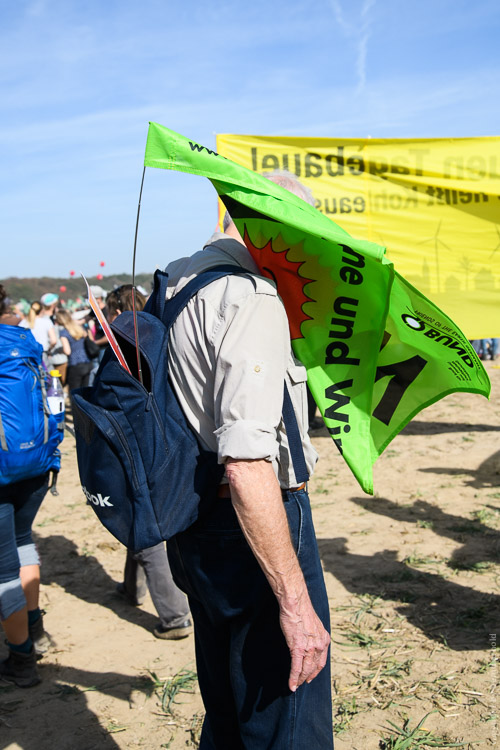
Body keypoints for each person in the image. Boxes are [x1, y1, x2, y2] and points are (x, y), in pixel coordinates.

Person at [164, 171, 333, 748]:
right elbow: (247, 462)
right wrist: (295, 603)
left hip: (196, 523)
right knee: (287, 718)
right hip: (257, 524)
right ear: (276, 226)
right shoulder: (252, 296)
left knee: (228, 712)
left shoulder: (181, 276)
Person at [106, 285, 192, 640]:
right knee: (137, 518)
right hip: (171, 440)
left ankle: (175, 617)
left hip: (140, 445)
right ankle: (131, 588)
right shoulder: (163, 331)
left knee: (147, 528)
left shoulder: (127, 346)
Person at [0, 286, 54, 688]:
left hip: (2, 470)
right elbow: (52, 394)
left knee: (3, 570)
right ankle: (35, 626)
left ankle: (21, 659)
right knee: (23, 539)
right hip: (36, 462)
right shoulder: (27, 340)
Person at [55, 309, 93, 391]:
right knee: (86, 391)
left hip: (75, 364)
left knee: (75, 393)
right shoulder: (79, 327)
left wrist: (61, 350)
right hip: (87, 362)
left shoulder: (64, 332)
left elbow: (68, 351)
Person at [20, 296, 58, 367]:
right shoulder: (46, 322)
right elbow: (54, 340)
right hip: (43, 353)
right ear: (42, 310)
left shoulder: (23, 322)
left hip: (28, 354)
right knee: (47, 376)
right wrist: (49, 349)